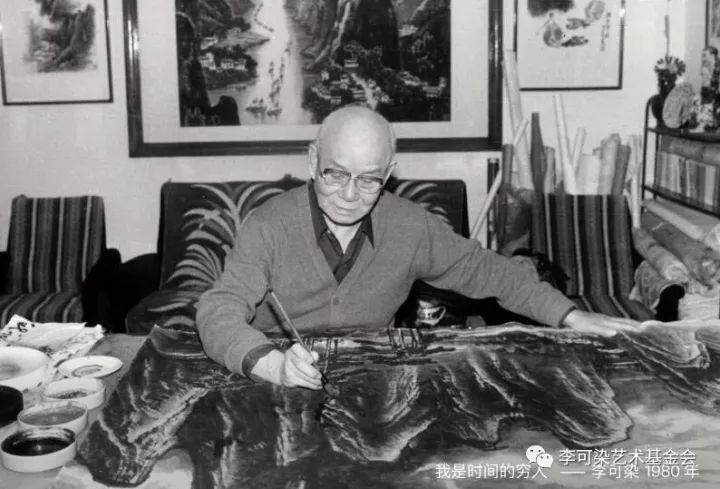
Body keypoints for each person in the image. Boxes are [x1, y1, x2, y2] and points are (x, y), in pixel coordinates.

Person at [195, 105, 639, 391]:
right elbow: (217, 310)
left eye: (368, 179)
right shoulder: (268, 225)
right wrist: (272, 366)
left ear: (389, 173)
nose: (349, 194)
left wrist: (570, 315)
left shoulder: (411, 227)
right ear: (312, 161)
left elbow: (491, 271)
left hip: (370, 377)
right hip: (271, 374)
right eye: (335, 174)